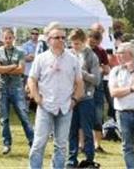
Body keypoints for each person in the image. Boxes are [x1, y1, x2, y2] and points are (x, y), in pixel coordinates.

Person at [28, 23, 83, 169]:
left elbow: (79, 83)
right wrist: (37, 98)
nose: (60, 40)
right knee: (39, 144)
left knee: (61, 146)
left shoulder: (73, 59)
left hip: (65, 107)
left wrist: (74, 100)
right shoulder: (41, 58)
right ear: (48, 40)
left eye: (63, 37)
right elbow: (31, 79)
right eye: (56, 37)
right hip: (45, 106)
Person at [0, 26, 35, 155]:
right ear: (2, 39)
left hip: (16, 88)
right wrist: (12, 66)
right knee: (4, 118)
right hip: (2, 88)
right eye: (6, 38)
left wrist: (4, 68)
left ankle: (32, 142)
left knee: (24, 116)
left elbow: (21, 70)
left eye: (10, 38)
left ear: (14, 38)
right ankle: (6, 144)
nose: (8, 40)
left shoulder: (20, 52)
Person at [67, 28, 101, 169]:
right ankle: (71, 160)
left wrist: (81, 73)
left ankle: (89, 160)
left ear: (84, 41)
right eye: (72, 43)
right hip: (71, 97)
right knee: (72, 130)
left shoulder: (91, 56)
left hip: (86, 98)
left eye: (77, 44)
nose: (74, 46)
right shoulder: (67, 55)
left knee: (87, 131)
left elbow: (96, 80)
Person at [88, 25, 111, 156]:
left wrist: (101, 70)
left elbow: (107, 69)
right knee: (82, 115)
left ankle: (97, 145)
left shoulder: (101, 51)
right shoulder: (81, 50)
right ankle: (82, 144)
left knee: (98, 115)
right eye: (92, 41)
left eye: (96, 42)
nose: (94, 44)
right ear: (88, 38)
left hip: (98, 87)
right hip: (84, 87)